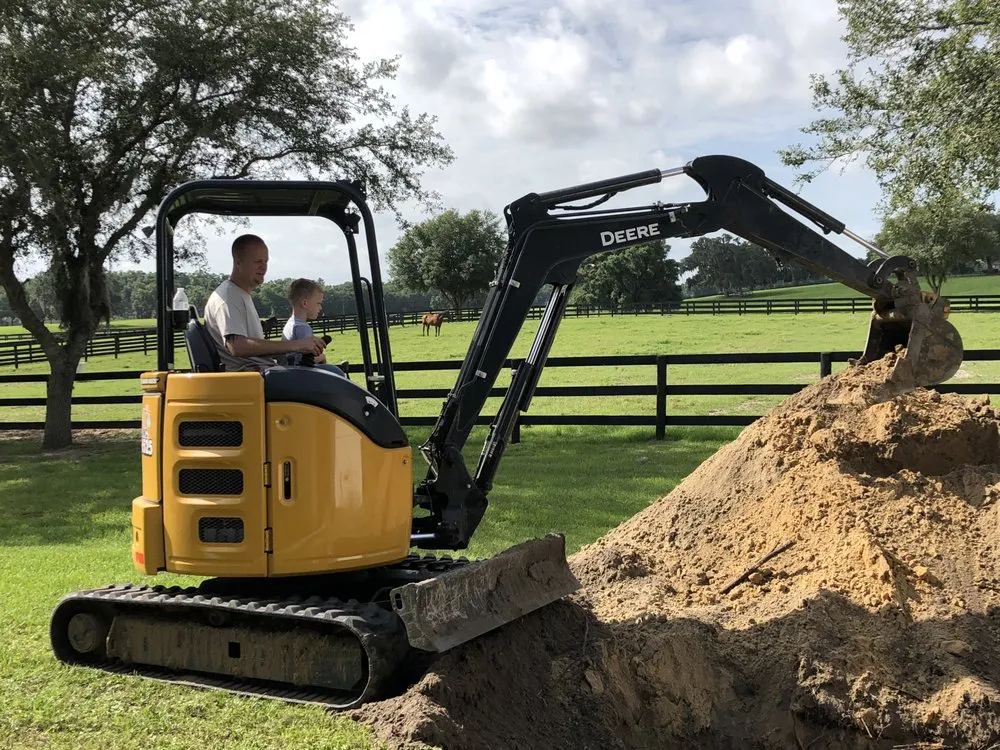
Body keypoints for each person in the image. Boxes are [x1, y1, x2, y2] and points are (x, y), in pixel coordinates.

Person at [203, 234, 326, 372]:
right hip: (252, 378)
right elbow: (236, 346)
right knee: (333, 377)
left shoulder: (240, 295)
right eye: (257, 262)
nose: (264, 267)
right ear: (238, 263)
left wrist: (296, 348)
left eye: (266, 261)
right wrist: (297, 345)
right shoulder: (229, 297)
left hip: (262, 372)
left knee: (330, 372)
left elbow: (256, 350)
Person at [282, 278, 346, 377]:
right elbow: (304, 361)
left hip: (291, 372)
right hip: (301, 374)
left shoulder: (290, 324)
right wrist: (322, 357)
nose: (320, 308)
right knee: (337, 373)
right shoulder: (302, 327)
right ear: (305, 303)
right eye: (318, 303)